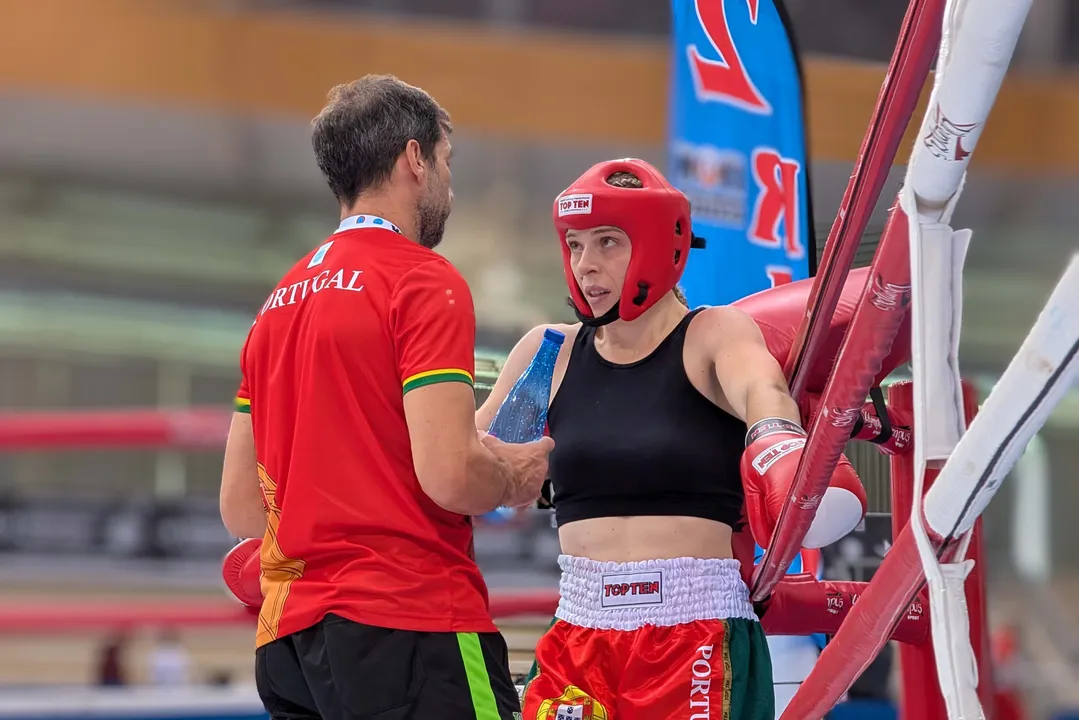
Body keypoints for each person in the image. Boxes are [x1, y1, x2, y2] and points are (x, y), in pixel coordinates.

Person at [476, 158, 867, 719]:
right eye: (576, 245)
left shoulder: (711, 335)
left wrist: (785, 452)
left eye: (607, 242)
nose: (587, 265)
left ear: (662, 245)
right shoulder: (547, 355)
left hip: (695, 632)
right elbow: (471, 462)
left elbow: (764, 393)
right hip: (579, 631)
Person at [217, 74, 552, 720]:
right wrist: (509, 474)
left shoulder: (276, 307)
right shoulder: (422, 282)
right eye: (446, 163)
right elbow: (452, 475)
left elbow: (241, 509)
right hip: (412, 622)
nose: (449, 187)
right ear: (413, 160)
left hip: (291, 647)